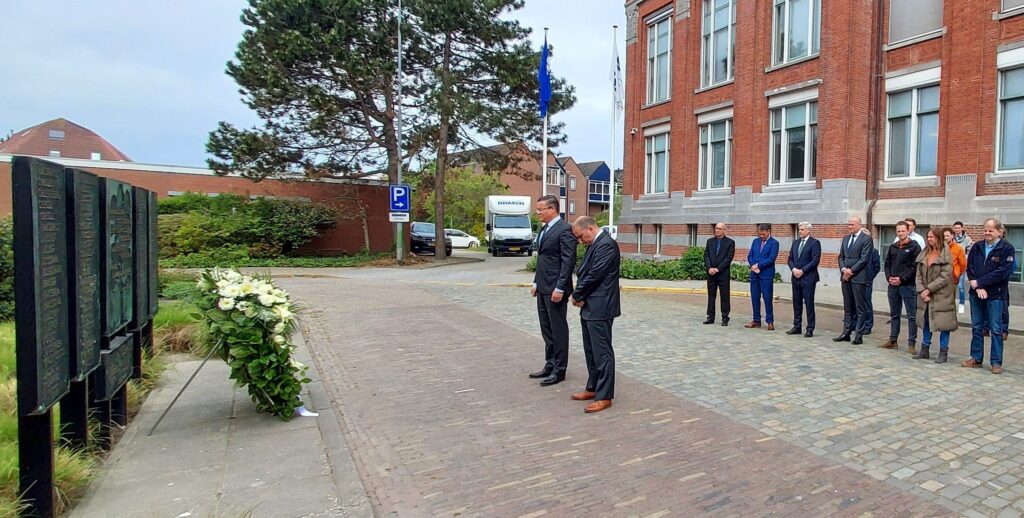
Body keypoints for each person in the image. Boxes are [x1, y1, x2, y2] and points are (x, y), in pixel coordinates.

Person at [569, 216, 620, 414]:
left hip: (601, 306)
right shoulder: (595, 244)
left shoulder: (606, 245)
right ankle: (592, 387)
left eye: (581, 237)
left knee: (602, 352)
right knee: (590, 350)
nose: (581, 242)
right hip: (590, 305)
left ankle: (605, 395)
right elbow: (584, 271)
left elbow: (594, 275)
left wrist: (577, 294)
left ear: (590, 229)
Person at [528, 195, 576, 386]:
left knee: (558, 329)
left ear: (553, 209)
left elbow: (568, 261)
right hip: (543, 287)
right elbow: (543, 259)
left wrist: (560, 287)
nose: (537, 212)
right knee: (546, 328)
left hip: (556, 289)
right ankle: (550, 363)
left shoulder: (564, 230)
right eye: (537, 209)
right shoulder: (544, 229)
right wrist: (536, 282)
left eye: (541, 209)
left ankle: (560, 369)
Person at [962, 218, 1016, 374]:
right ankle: (976, 358)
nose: (987, 233)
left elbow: (1002, 272)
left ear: (999, 231)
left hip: (995, 294)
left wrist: (980, 283)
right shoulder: (977, 247)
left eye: (990, 230)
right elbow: (970, 267)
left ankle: (996, 362)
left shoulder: (1007, 248)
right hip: (976, 293)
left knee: (996, 328)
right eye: (985, 230)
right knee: (977, 327)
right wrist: (976, 284)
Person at [916, 228, 958, 362]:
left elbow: (945, 275)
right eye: (928, 237)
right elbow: (918, 274)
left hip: (942, 295)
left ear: (938, 238)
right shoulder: (925, 253)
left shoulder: (946, 254)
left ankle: (943, 352)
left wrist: (929, 289)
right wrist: (922, 290)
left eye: (932, 237)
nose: (929, 239)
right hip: (925, 294)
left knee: (944, 323)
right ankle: (924, 349)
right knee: (926, 321)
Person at [881, 221, 921, 353]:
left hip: (908, 286)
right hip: (892, 286)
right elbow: (887, 264)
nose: (900, 233)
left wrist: (901, 279)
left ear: (908, 231)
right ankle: (893, 340)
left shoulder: (914, 247)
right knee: (894, 314)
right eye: (898, 231)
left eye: (903, 231)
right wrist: (889, 277)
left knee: (911, 315)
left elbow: (915, 267)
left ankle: (911, 343)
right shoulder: (893, 247)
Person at [835, 216, 873, 344]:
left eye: (852, 224)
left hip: (858, 277)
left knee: (859, 307)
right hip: (845, 277)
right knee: (847, 306)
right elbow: (841, 257)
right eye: (849, 224)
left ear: (859, 225)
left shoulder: (866, 239)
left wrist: (851, 271)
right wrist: (844, 269)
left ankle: (859, 335)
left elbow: (864, 258)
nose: (849, 226)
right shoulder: (846, 239)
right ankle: (846, 332)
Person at [786, 222, 820, 337]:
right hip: (795, 277)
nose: (800, 231)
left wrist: (802, 271)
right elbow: (790, 259)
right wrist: (794, 269)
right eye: (799, 229)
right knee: (796, 303)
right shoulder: (795, 243)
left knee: (809, 304)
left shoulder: (814, 243)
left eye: (802, 229)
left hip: (808, 278)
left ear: (808, 230)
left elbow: (815, 260)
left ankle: (810, 328)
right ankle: (797, 326)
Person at [745, 224, 779, 330]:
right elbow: (750, 256)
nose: (761, 236)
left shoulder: (774, 243)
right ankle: (756, 320)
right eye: (760, 234)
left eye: (763, 234)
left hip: (766, 275)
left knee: (767, 298)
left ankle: (770, 321)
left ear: (769, 231)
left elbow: (771, 258)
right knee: (755, 297)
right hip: (754, 274)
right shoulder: (756, 241)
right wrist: (753, 265)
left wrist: (759, 265)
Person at [703, 223, 735, 326]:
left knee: (724, 296)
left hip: (723, 274)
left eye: (720, 229)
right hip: (711, 273)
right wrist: (709, 268)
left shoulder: (730, 242)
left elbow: (729, 258)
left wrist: (718, 269)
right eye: (716, 228)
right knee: (711, 296)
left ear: (724, 230)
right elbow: (706, 255)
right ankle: (710, 317)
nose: (717, 230)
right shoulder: (710, 241)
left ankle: (725, 317)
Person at [953, 221, 973, 314]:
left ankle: (961, 304)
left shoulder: (967, 239)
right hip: (952, 265)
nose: (957, 230)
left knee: (960, 286)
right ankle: (951, 304)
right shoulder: (951, 238)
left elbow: (969, 252)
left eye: (958, 228)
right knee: (951, 286)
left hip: (961, 265)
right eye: (955, 228)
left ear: (962, 228)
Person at [863, 231, 881, 335]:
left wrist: (869, 278)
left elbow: (877, 267)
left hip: (867, 281)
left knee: (866, 303)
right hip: (856, 281)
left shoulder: (873, 251)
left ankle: (868, 325)